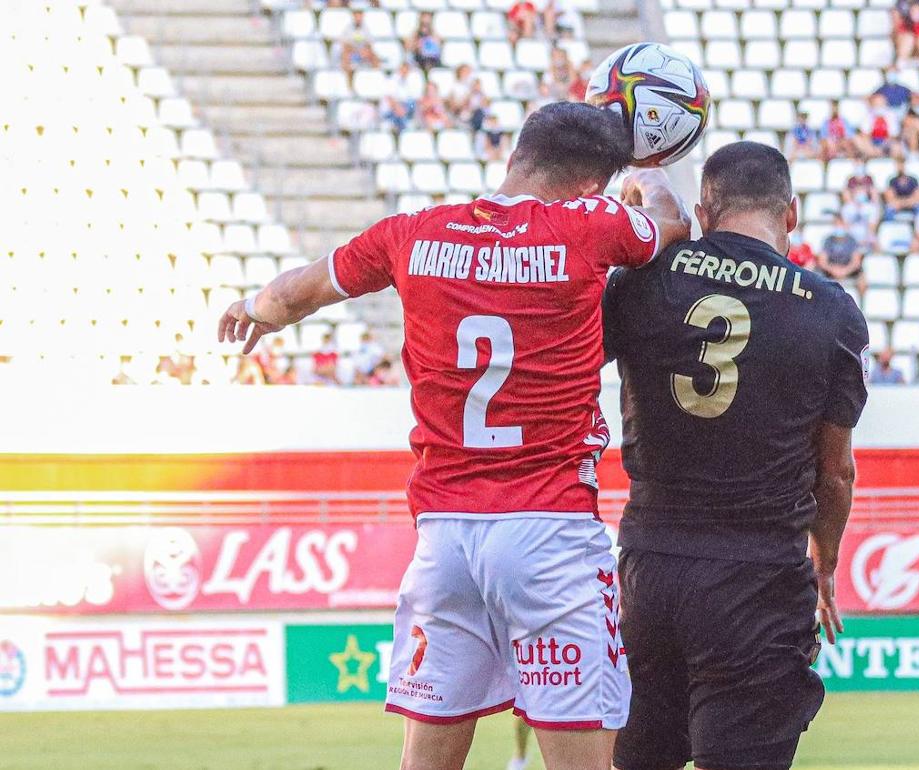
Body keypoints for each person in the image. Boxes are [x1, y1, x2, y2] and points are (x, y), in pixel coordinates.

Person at [217, 102, 691, 770]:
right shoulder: (589, 225)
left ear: (517, 154)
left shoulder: (415, 232)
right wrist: (650, 173)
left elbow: (298, 292)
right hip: (548, 532)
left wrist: (253, 309)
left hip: (445, 540)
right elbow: (674, 226)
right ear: (590, 186)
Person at [601, 141, 868, 770]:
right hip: (760, 574)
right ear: (792, 213)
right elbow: (836, 471)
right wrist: (824, 563)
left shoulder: (644, 282)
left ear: (704, 209)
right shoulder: (830, 310)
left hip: (650, 567)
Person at [818, 214, 868, 295]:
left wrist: (845, 271)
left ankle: (861, 302)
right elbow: (822, 261)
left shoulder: (852, 240)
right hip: (832, 270)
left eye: (840, 224)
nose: (839, 226)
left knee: (862, 279)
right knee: (816, 277)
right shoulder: (828, 240)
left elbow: (856, 262)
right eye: (836, 224)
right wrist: (833, 270)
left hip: (848, 269)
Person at [851, 94, 901, 159]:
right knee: (856, 139)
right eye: (877, 103)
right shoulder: (868, 114)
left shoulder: (891, 115)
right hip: (872, 143)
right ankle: (873, 157)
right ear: (873, 104)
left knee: (897, 147)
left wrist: (882, 146)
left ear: (885, 103)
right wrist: (873, 147)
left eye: (881, 103)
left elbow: (893, 135)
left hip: (887, 143)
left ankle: (891, 164)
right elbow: (864, 134)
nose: (879, 106)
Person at [338, 9, 380, 79]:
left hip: (363, 52)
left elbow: (369, 43)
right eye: (356, 16)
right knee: (345, 56)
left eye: (359, 16)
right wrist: (355, 50)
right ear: (354, 17)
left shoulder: (366, 28)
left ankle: (375, 79)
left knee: (375, 57)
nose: (358, 18)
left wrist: (364, 50)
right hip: (351, 52)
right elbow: (345, 44)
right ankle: (348, 83)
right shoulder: (348, 28)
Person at [382, 62, 420, 132]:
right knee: (400, 112)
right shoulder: (391, 80)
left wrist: (404, 109)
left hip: (406, 109)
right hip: (392, 110)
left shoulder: (411, 81)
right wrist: (398, 108)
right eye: (403, 69)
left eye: (406, 70)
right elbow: (389, 98)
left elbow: (413, 100)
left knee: (412, 104)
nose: (404, 72)